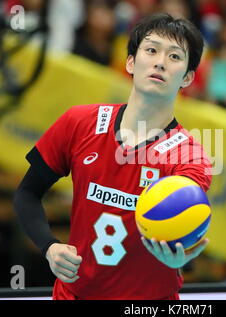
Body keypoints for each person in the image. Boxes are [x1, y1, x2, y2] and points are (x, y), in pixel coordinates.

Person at [13, 13, 212, 300]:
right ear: (130, 62)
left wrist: (182, 260)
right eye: (151, 50)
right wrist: (49, 247)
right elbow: (27, 194)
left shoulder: (189, 156)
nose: (160, 62)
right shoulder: (79, 122)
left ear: (188, 78)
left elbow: (189, 231)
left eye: (175, 57)